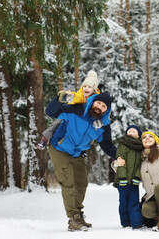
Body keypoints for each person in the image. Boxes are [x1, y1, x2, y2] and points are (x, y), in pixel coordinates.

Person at [45, 92, 117, 232]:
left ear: (106, 110)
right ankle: (73, 219)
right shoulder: (75, 109)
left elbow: (107, 145)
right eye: (98, 103)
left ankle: (78, 214)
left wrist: (120, 155)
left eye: (103, 106)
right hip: (59, 147)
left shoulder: (102, 125)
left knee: (81, 183)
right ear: (93, 101)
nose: (99, 107)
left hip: (77, 153)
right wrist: (60, 99)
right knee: (68, 183)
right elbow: (50, 111)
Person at [37, 70, 100, 150]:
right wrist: (69, 96)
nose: (86, 88)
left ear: (94, 89)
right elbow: (76, 97)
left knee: (91, 130)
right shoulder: (80, 94)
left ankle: (84, 149)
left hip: (87, 120)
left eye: (89, 87)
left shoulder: (97, 100)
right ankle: (45, 139)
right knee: (59, 121)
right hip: (72, 114)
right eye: (85, 86)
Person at [112, 125, 144, 229]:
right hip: (122, 182)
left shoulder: (140, 148)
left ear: (139, 135)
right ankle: (126, 222)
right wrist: (122, 178)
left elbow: (140, 165)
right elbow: (121, 163)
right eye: (129, 130)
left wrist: (137, 177)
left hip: (134, 182)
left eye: (134, 130)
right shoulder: (122, 146)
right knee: (123, 203)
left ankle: (136, 223)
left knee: (134, 202)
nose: (131, 130)